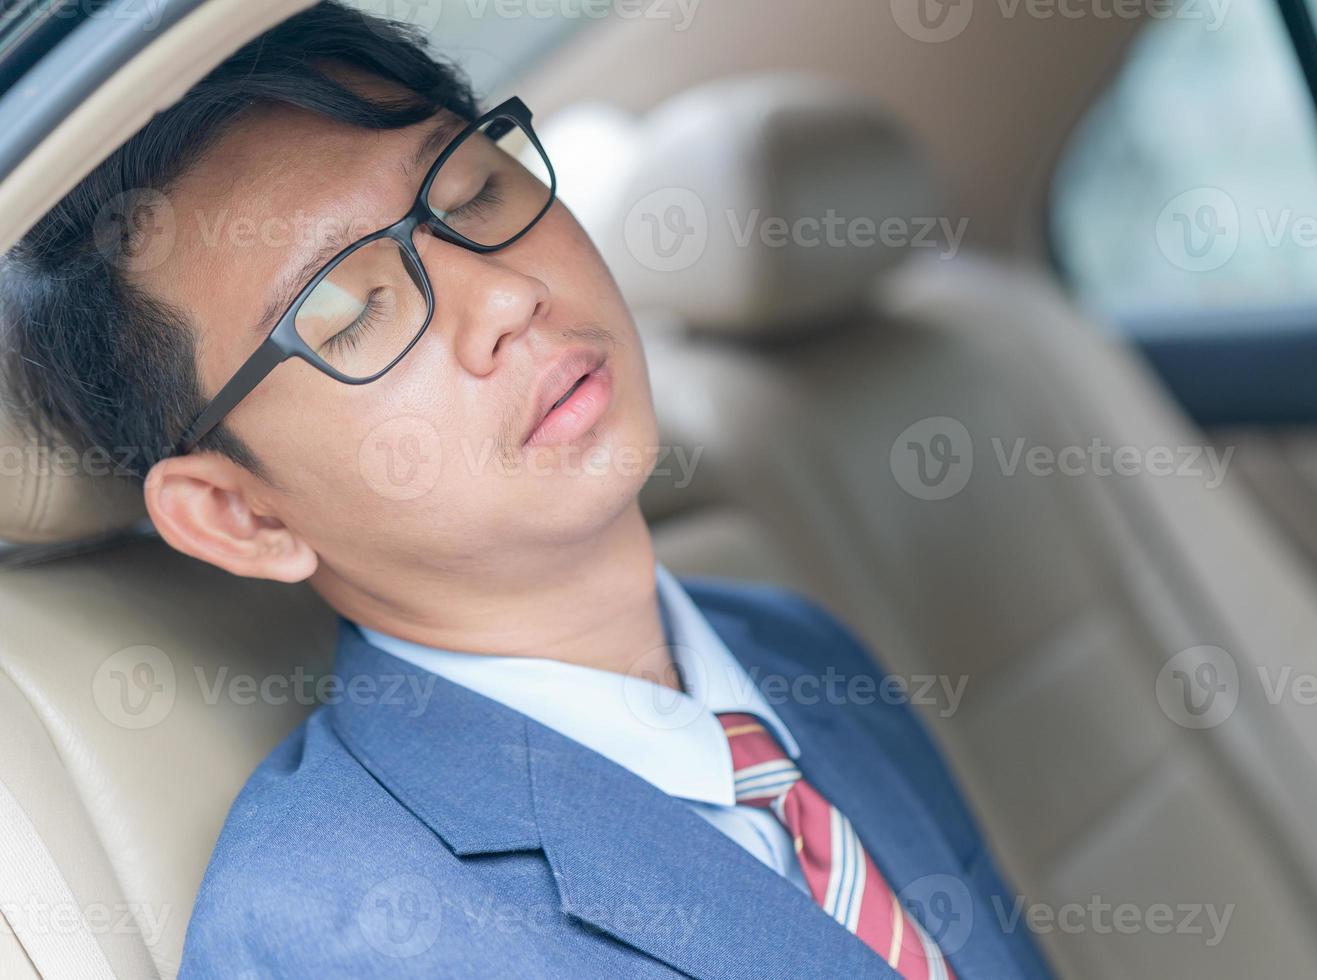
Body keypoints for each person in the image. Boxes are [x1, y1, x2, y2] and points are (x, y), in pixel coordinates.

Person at [0, 4, 1049, 977]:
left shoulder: (799, 651)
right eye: (351, 311)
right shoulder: (330, 933)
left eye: (473, 190)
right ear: (241, 513)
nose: (505, 292)